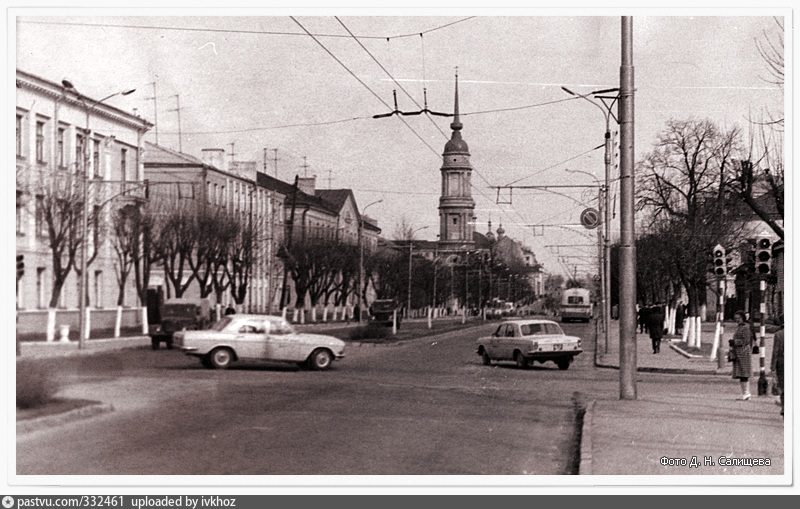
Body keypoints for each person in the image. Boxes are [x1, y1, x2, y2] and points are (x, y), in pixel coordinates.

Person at [729, 310, 755, 400]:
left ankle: (746, 393)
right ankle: (745, 393)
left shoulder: (745, 327)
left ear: (743, 318)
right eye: (735, 318)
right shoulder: (739, 327)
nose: (737, 320)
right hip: (739, 353)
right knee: (741, 374)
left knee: (744, 373)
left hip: (744, 353)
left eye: (738, 318)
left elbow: (746, 341)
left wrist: (734, 342)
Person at [771, 315, 784, 416]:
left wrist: (772, 367)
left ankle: (784, 407)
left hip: (782, 364)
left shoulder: (778, 334)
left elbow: (775, 352)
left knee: (783, 386)